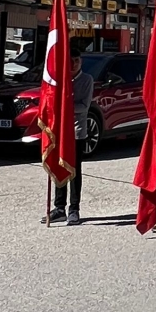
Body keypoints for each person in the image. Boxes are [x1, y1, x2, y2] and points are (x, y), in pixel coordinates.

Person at [42, 49, 94, 226]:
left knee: (74, 170)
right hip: (60, 131)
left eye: (77, 60)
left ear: (81, 62)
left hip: (76, 132)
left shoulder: (86, 80)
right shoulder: (60, 79)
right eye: (71, 60)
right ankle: (59, 208)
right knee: (59, 167)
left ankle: (74, 209)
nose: (74, 64)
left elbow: (83, 106)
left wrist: (63, 106)